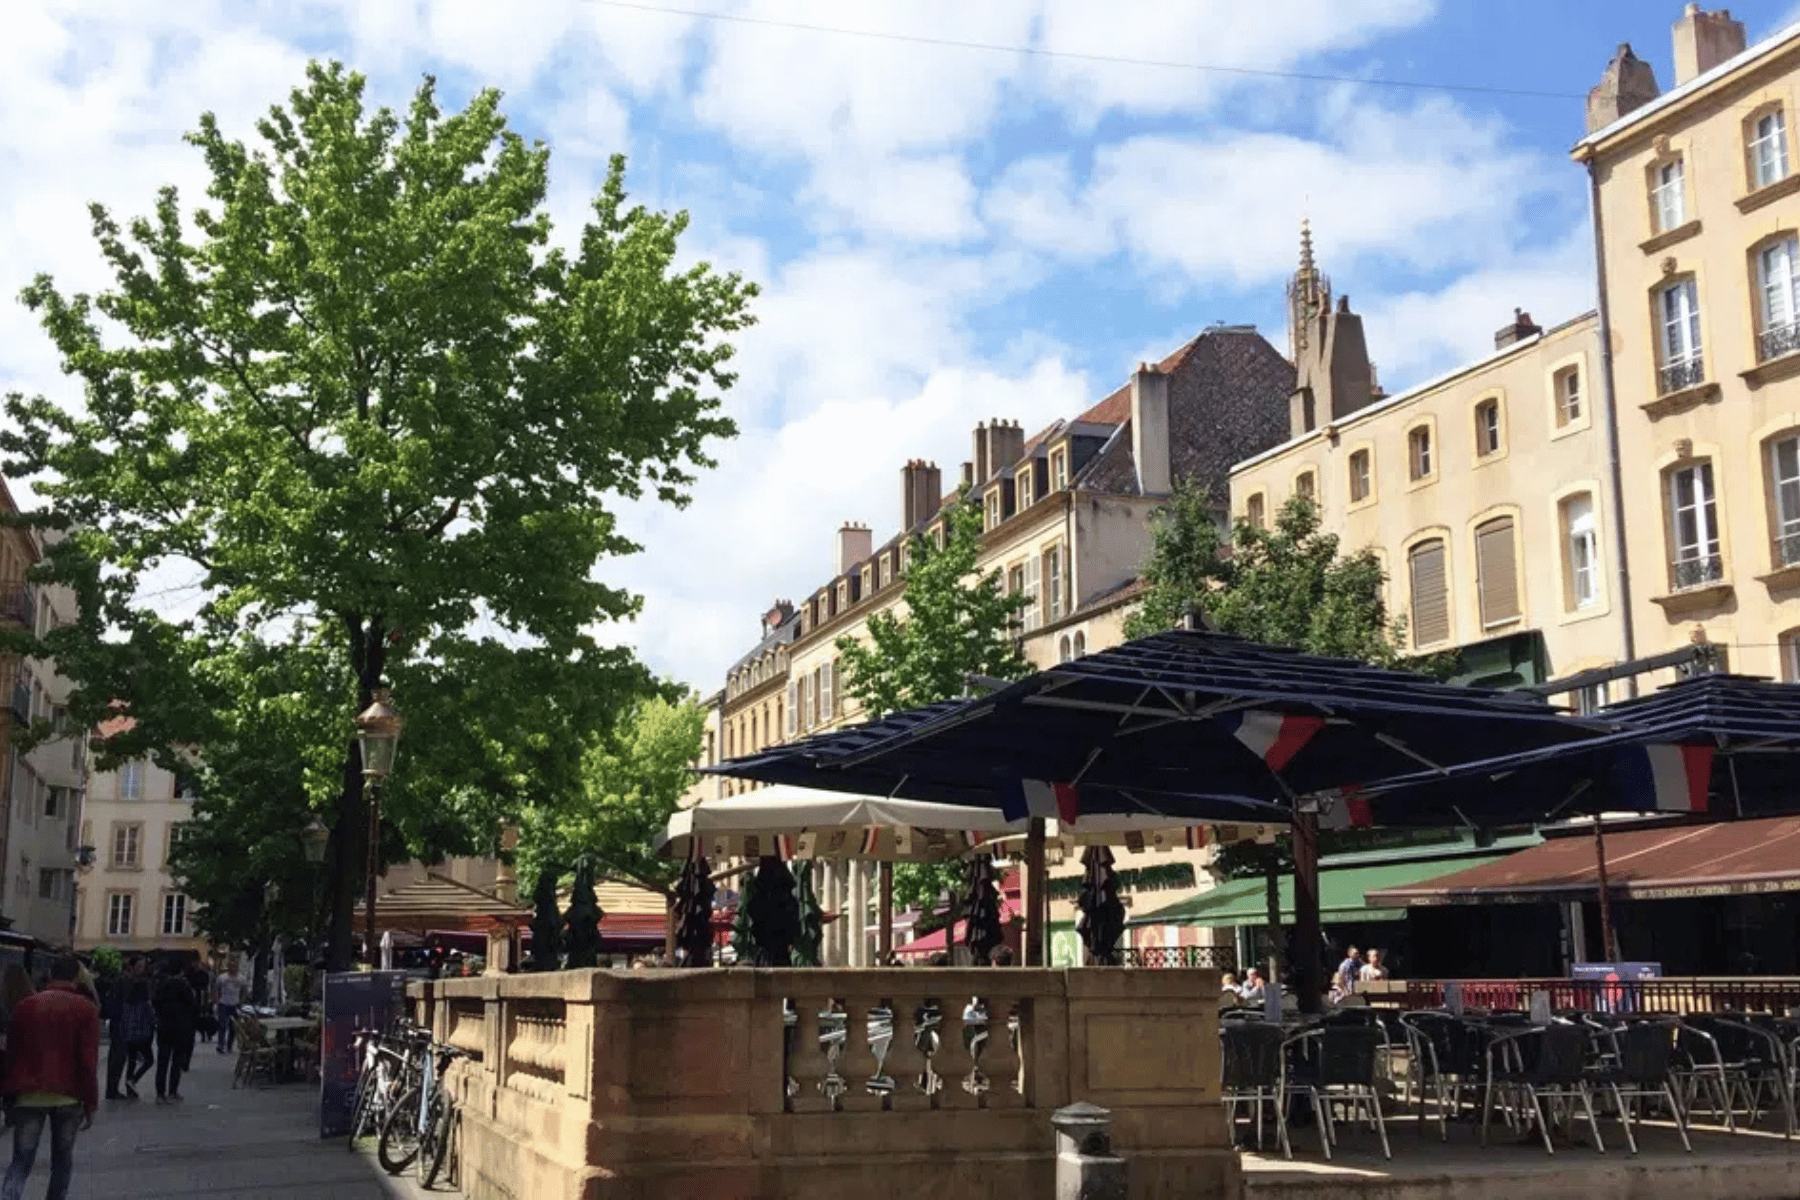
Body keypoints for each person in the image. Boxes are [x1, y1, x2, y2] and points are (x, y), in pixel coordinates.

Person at [0, 954, 99, 1200]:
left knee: (21, 1160)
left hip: (28, 1094)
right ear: (76, 977)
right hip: (69, 1095)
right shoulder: (86, 1009)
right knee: (62, 1161)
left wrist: (8, 1093)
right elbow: (88, 1061)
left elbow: (12, 1053)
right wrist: (90, 1103)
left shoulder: (26, 1005)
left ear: (51, 975)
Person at [151, 961, 199, 1102]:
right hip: (180, 1027)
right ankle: (173, 1091)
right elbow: (192, 1005)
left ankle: (160, 1093)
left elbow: (155, 1002)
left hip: (164, 1025)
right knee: (177, 1061)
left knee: (162, 1061)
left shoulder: (161, 985)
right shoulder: (184, 985)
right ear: (180, 972)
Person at [214, 967, 243, 1055]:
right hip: (223, 1003)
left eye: (234, 966)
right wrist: (217, 1000)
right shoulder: (222, 977)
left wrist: (241, 1001)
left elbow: (244, 990)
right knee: (222, 1025)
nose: (233, 968)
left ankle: (229, 1045)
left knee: (233, 1026)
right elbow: (216, 988)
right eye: (231, 966)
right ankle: (221, 1045)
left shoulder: (241, 978)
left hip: (235, 1004)